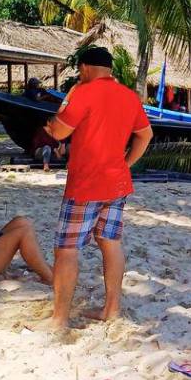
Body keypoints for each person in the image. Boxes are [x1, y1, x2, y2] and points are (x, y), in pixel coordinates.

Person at [43, 46, 152, 329]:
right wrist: (127, 163)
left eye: (79, 71)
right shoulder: (129, 96)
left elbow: (59, 131)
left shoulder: (83, 92)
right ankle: (111, 309)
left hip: (86, 183)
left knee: (66, 248)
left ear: (85, 68)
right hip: (117, 183)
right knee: (110, 243)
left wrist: (67, 99)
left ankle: (60, 318)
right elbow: (145, 135)